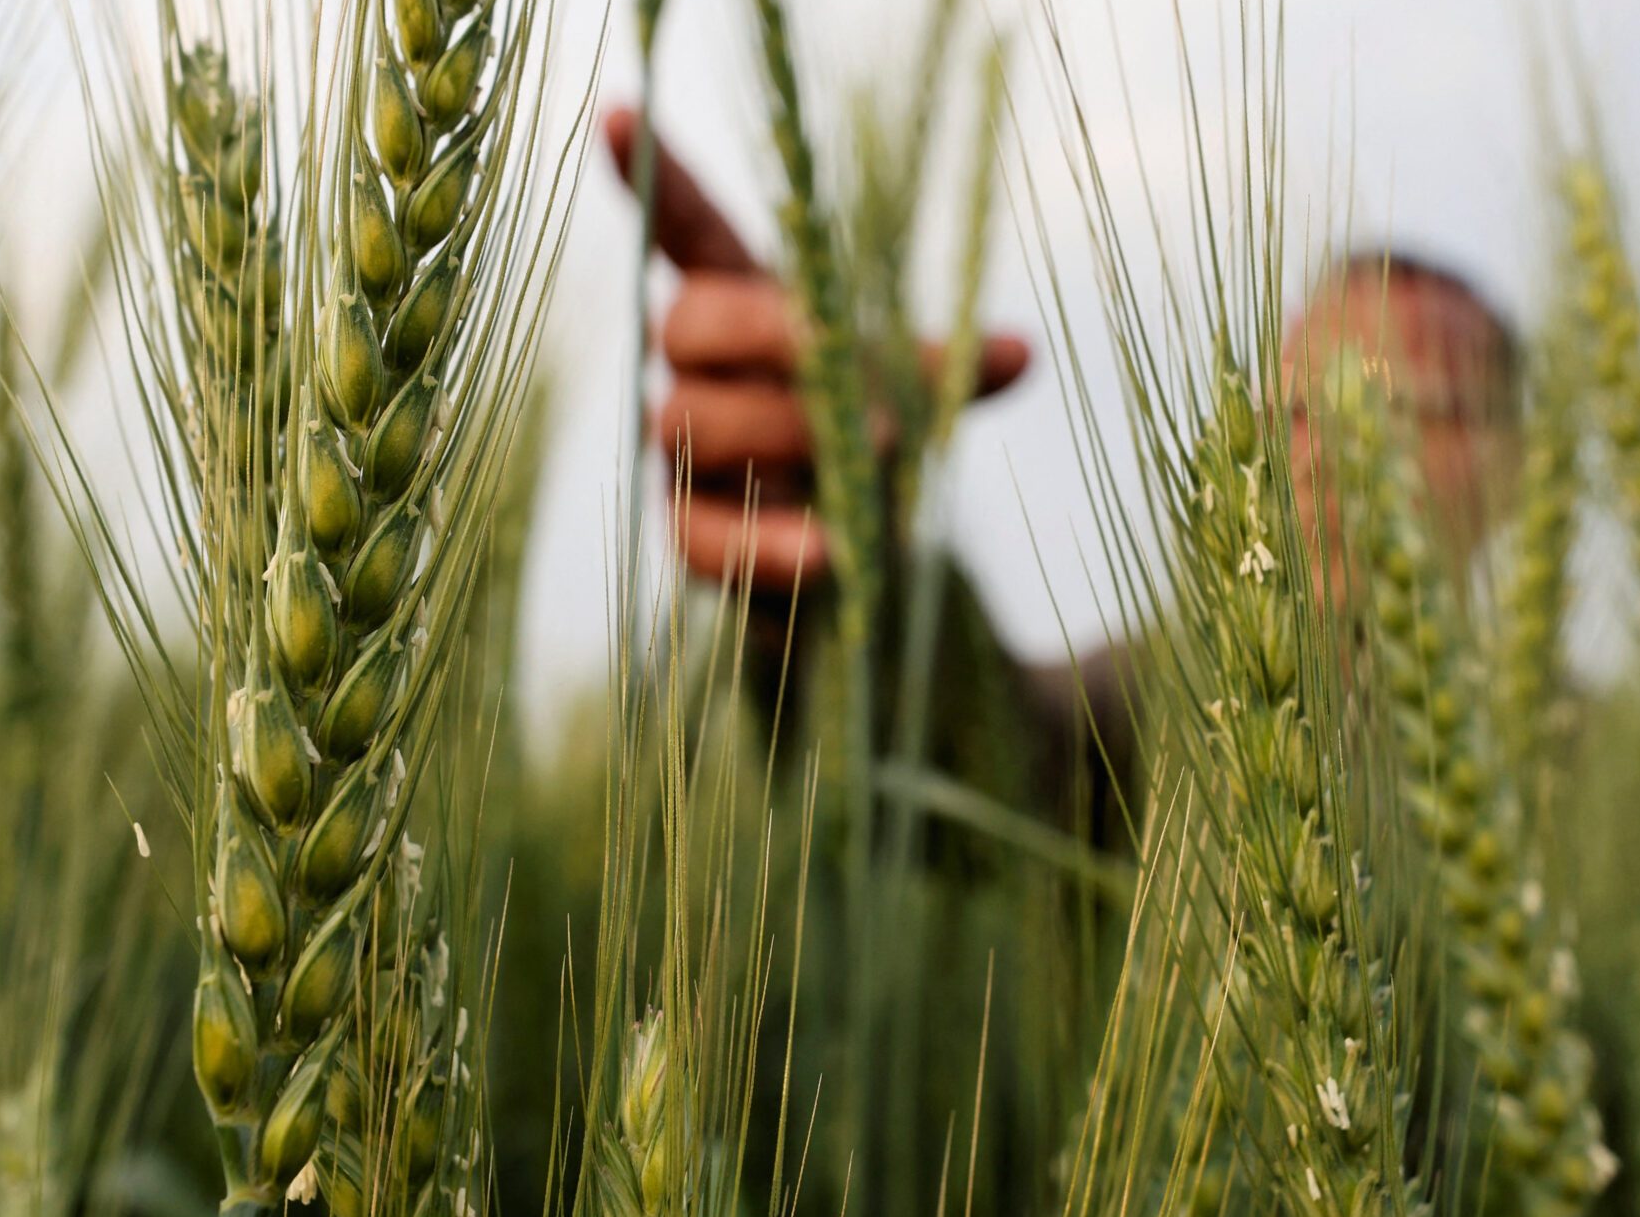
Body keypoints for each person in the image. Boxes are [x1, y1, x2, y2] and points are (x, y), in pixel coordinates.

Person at [601, 106, 1526, 841]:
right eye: (1290, 414)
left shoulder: (1623, 771)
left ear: (1518, 465)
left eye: (1397, 411)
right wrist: (840, 572)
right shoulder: (1162, 717)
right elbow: (992, 741)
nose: (1316, 453)